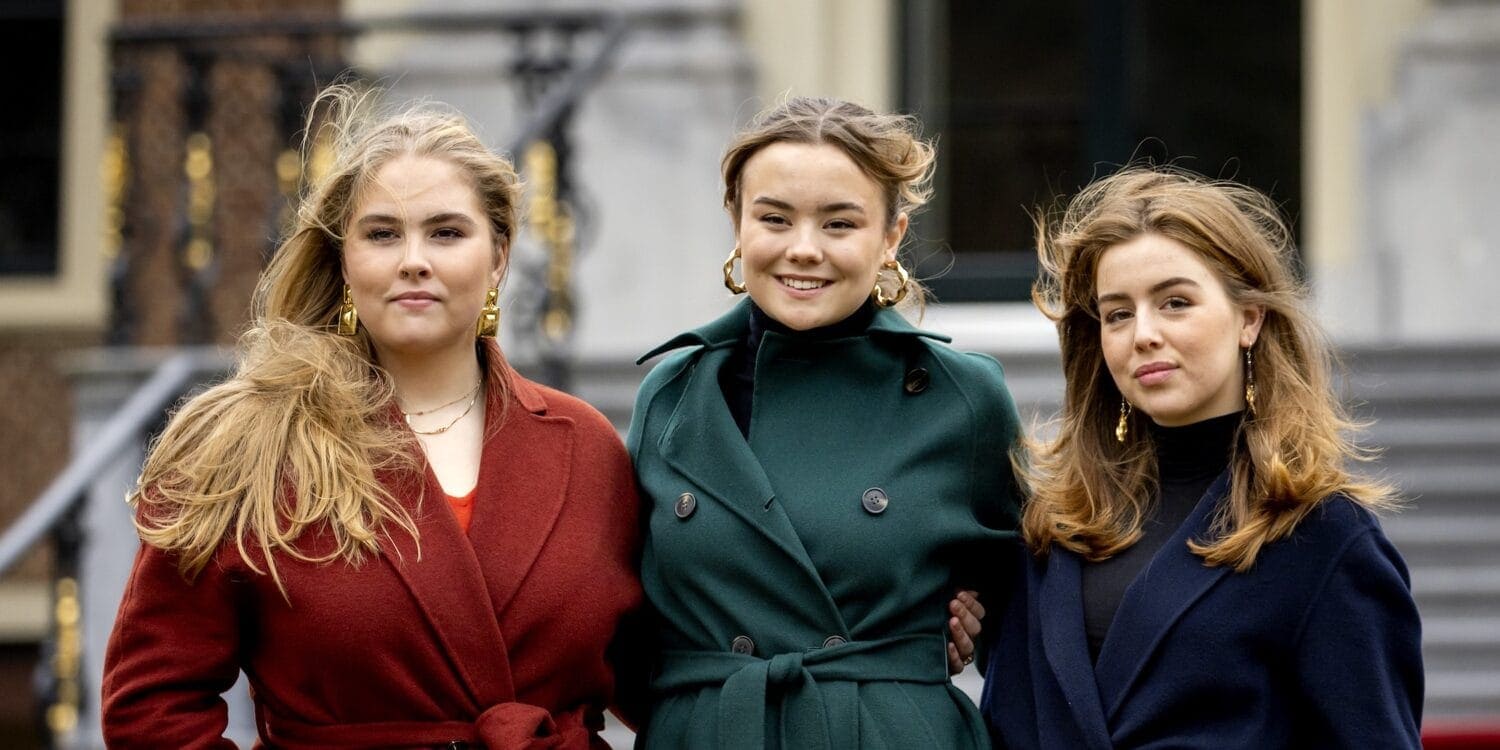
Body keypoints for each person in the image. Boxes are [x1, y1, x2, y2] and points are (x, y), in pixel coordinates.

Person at [100, 86, 642, 748]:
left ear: (498, 256)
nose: (414, 258)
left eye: (446, 232)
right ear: (345, 262)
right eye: (383, 234)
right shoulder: (247, 443)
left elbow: (660, 677)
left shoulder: (586, 447)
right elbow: (151, 706)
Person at [625, 96, 1022, 749]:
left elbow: (1029, 611)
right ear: (737, 222)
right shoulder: (672, 394)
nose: (803, 250)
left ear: (891, 237)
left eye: (839, 224)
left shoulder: (961, 396)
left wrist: (960, 621)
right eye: (774, 218)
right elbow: (623, 614)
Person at [981, 166, 1423, 748]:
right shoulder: (1051, 528)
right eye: (1117, 313)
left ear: (1249, 318)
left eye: (1175, 303)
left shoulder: (1324, 537)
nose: (1143, 333)